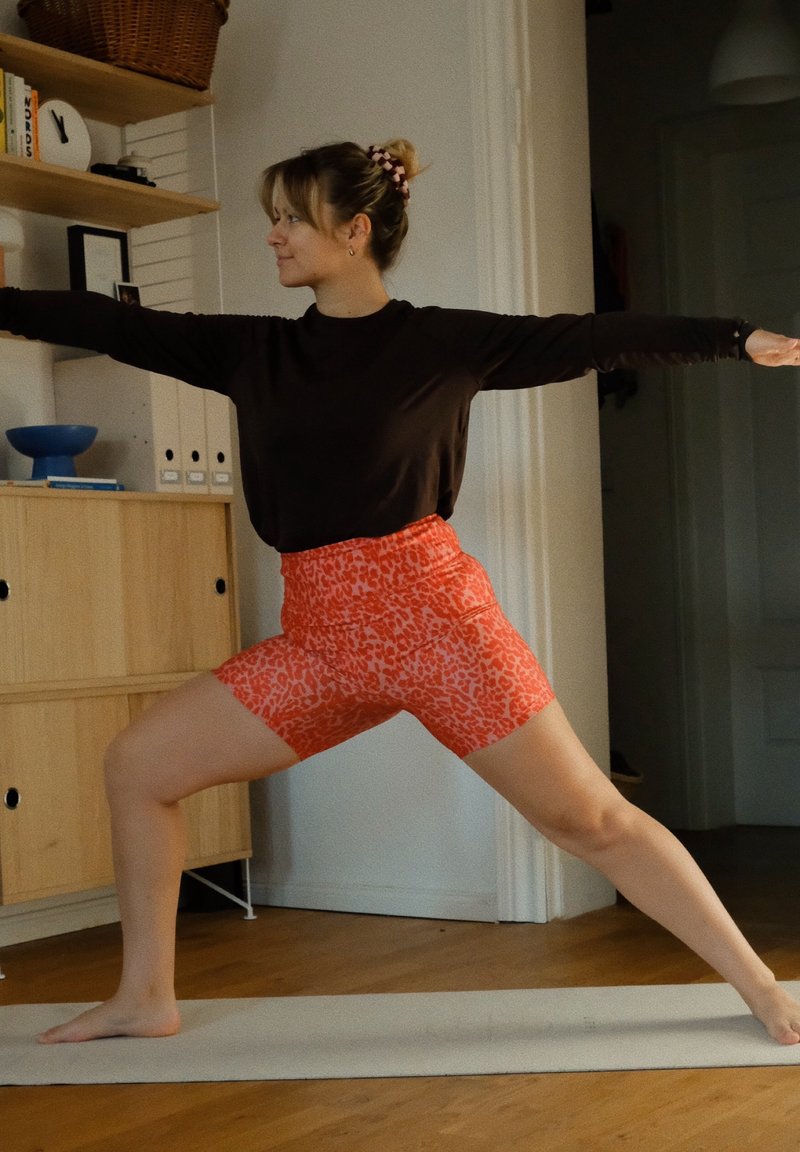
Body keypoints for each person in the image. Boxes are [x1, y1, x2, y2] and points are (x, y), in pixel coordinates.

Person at [2, 139, 799, 1047]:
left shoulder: (445, 343)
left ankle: (763, 988)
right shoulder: (252, 351)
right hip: (322, 639)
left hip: (434, 622)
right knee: (140, 766)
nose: (273, 235)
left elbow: (593, 337)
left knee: (592, 820)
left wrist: (737, 339)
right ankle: (147, 996)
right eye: (273, 216)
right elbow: (106, 323)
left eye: (291, 217)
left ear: (356, 230)